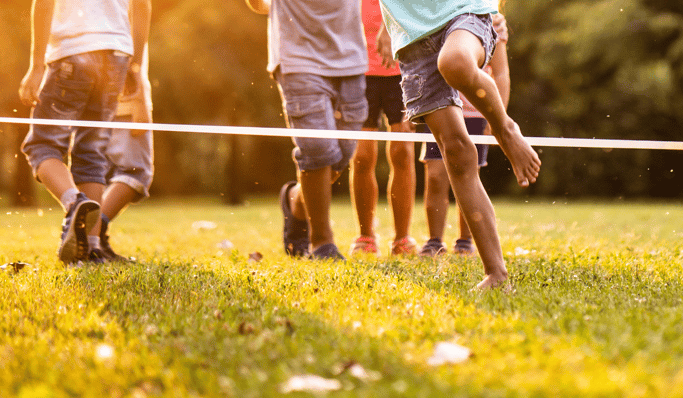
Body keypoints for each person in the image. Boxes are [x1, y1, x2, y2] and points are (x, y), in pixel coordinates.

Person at [378, 0, 541, 289]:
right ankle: (496, 273)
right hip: (412, 39)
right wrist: (384, 25)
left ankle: (505, 128)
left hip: (462, 12)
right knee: (454, 151)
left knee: (454, 62)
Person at [19, 0, 151, 265]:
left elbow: (44, 4)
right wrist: (134, 66)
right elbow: (143, 6)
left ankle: (74, 202)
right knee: (92, 152)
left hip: (72, 51)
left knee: (42, 146)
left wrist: (35, 67)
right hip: (116, 56)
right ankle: (90, 248)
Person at [246, 0, 368, 260]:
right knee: (318, 151)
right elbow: (259, 4)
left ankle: (296, 200)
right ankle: (322, 243)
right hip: (298, 56)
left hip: (351, 56)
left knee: (338, 157)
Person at [418, 13, 511, 257]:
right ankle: (434, 240)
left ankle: (465, 241)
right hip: (440, 107)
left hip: (475, 114)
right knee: (436, 176)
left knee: (469, 175)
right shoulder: (436, 16)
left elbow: (500, 73)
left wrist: (498, 116)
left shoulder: (494, 24)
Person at [349, 0, 417, 257]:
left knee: (402, 153)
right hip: (359, 71)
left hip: (402, 69)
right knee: (362, 157)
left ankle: (402, 238)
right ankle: (366, 236)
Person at [99, 46, 154, 262]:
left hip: (92, 98)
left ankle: (94, 240)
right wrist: (139, 100)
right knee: (135, 173)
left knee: (95, 173)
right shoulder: (132, 10)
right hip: (125, 104)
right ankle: (90, 234)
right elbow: (130, 43)